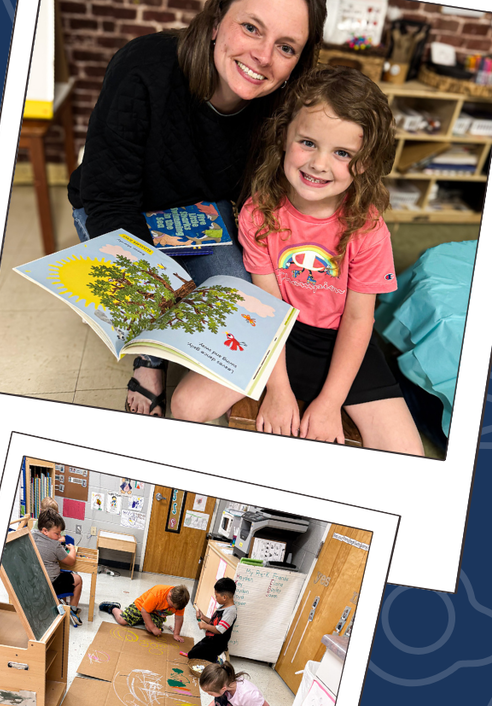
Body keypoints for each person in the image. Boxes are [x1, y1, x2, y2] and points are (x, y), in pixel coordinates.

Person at [68, 0, 328, 416]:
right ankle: (149, 362)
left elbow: (259, 205)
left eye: (286, 47)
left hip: (200, 220)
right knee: (150, 297)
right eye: (251, 28)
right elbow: (108, 199)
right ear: (214, 21)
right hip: (119, 210)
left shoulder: (282, 110)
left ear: (297, 62)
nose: (263, 57)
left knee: (241, 300)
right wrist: (161, 286)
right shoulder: (144, 66)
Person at [171, 67, 424, 454]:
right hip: (274, 332)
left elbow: (359, 320)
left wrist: (329, 402)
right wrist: (279, 389)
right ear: (284, 136)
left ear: (366, 163)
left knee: (408, 453)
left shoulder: (368, 228)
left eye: (342, 153)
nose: (320, 164)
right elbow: (267, 307)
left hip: (340, 340)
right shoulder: (260, 212)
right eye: (308, 142)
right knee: (185, 406)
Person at [30, 506, 82, 623]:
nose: (59, 536)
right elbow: (71, 561)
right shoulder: (55, 545)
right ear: (45, 531)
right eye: (57, 533)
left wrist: (55, 537)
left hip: (33, 581)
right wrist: (72, 549)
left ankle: (61, 605)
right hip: (50, 584)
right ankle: (72, 610)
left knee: (63, 574)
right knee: (77, 579)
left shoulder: (31, 534)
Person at [99, 583, 189, 641]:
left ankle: (143, 621)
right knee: (122, 620)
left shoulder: (180, 602)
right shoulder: (157, 593)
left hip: (156, 614)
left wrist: (176, 634)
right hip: (141, 607)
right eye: (172, 605)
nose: (173, 608)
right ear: (169, 596)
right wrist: (153, 627)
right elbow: (144, 611)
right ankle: (113, 607)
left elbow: (179, 618)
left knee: (151, 629)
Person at [183, 578, 237, 661]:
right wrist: (203, 617)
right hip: (210, 640)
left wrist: (205, 626)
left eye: (216, 596)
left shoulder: (230, 612)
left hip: (216, 644)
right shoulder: (223, 606)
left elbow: (219, 629)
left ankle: (216, 661)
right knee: (193, 652)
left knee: (193, 655)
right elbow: (214, 623)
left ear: (224, 597)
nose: (215, 598)